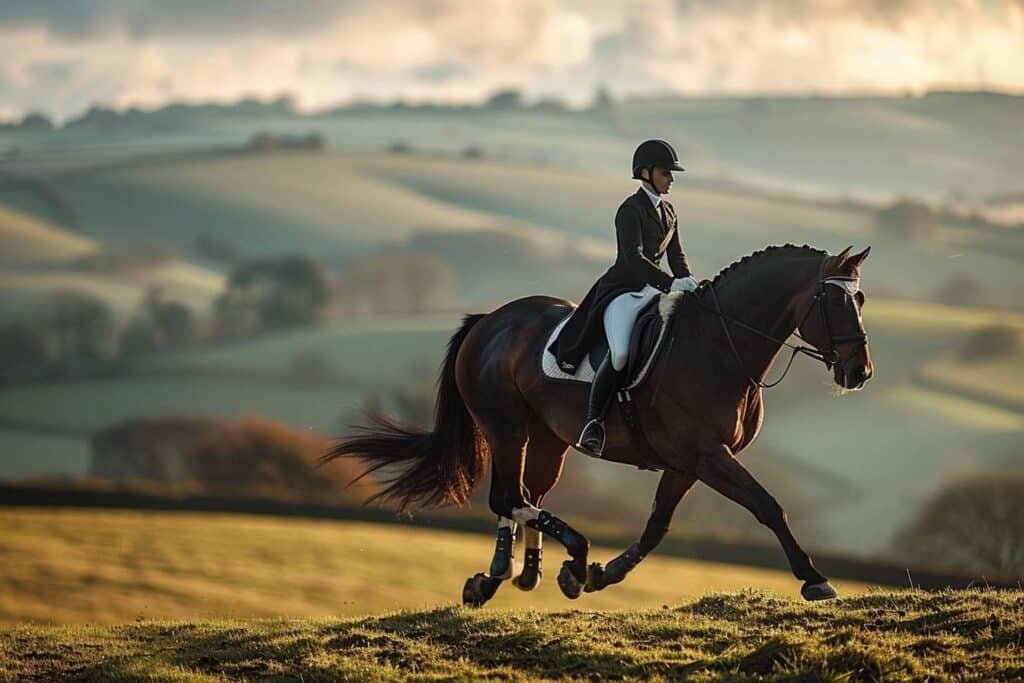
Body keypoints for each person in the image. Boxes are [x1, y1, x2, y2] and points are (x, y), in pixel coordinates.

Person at [548, 139, 698, 457]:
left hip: (657, 291)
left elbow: (677, 255)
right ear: (645, 173)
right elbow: (633, 259)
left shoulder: (669, 211)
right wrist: (671, 282)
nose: (671, 179)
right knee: (620, 355)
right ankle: (594, 424)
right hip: (624, 292)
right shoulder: (630, 210)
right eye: (665, 173)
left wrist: (688, 281)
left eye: (671, 173)